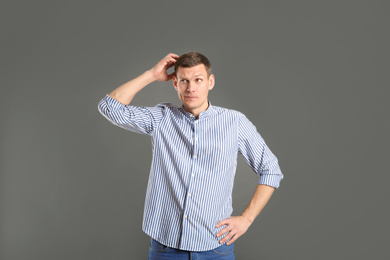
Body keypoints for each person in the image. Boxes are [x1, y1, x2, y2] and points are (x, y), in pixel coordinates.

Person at [98, 52, 283, 259]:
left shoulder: (235, 122)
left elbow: (271, 170)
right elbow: (109, 107)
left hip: (215, 247)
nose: (191, 88)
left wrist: (246, 219)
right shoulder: (162, 118)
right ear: (175, 83)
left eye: (198, 80)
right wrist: (151, 74)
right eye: (184, 81)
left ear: (210, 82)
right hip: (166, 248)